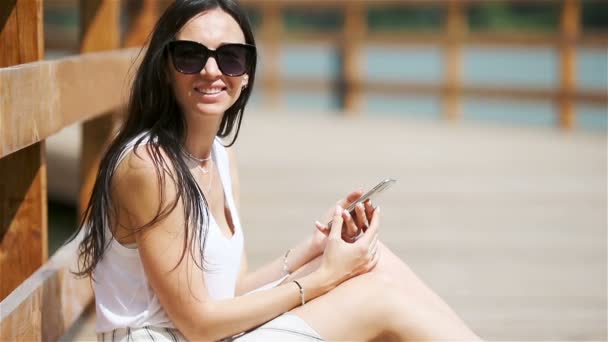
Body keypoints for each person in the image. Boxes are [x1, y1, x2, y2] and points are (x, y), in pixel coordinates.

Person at [72, 0, 481, 341]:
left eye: (230, 58)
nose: (212, 71)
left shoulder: (216, 154)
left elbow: (229, 290)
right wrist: (323, 278)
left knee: (377, 261)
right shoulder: (150, 166)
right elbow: (198, 324)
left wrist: (315, 248)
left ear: (246, 75)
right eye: (191, 55)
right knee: (378, 296)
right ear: (165, 66)